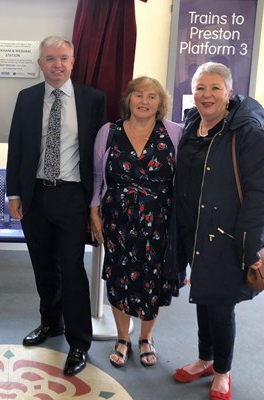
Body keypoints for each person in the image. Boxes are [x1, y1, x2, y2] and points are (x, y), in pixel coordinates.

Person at [172, 62, 264, 400]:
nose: (207, 95)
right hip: (193, 232)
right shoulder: (191, 125)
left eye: (215, 88)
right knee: (203, 296)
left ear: (230, 93)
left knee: (220, 304)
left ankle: (223, 370)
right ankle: (205, 358)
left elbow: (261, 193)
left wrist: (250, 246)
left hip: (228, 236)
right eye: (201, 87)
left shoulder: (247, 132)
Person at [6, 35, 106, 376]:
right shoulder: (27, 98)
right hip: (35, 195)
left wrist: (97, 202)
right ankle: (51, 323)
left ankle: (79, 341)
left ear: (73, 61)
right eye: (50, 58)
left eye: (63, 58)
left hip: (72, 196)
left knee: (72, 269)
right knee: (43, 267)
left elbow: (100, 155)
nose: (57, 64)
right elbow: (16, 147)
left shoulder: (93, 99)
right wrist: (13, 193)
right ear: (40, 64)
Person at [89, 76, 183, 368]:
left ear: (160, 102)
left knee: (153, 281)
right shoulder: (109, 132)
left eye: (151, 96)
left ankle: (146, 338)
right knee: (119, 277)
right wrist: (94, 209)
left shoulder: (175, 133)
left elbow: (182, 181)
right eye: (138, 95)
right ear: (128, 99)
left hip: (159, 221)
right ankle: (122, 337)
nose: (144, 101)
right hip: (118, 218)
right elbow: (97, 176)